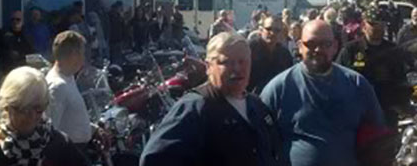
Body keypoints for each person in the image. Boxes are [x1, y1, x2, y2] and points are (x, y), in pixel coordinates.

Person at [140, 32, 278, 166]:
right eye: (226, 62)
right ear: (208, 66)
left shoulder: (256, 105)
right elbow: (154, 159)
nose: (237, 68)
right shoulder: (195, 108)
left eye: (242, 61)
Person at [261, 20, 385, 166]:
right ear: (300, 46)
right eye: (311, 44)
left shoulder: (357, 85)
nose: (318, 50)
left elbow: (377, 135)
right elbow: (261, 142)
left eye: (325, 44)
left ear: (335, 46)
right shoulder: (278, 88)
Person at [337, 4, 411, 127]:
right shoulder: (351, 50)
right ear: (363, 26)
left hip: (387, 112)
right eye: (373, 24)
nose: (377, 28)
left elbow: (402, 79)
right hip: (359, 113)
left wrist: (402, 105)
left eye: (381, 24)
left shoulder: (393, 50)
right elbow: (337, 78)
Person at [0, 66, 87, 166]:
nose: (31, 116)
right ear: (7, 106)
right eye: (24, 109)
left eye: (38, 108)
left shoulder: (58, 143)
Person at [45, 31, 107, 157]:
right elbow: (50, 132)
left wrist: (93, 129)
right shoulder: (57, 86)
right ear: (74, 55)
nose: (83, 58)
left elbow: (70, 119)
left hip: (80, 151)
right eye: (82, 53)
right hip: (69, 155)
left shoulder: (69, 78)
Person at [248, 15, 293, 93]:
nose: (272, 33)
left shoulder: (284, 54)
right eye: (268, 29)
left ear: (282, 33)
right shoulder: (249, 49)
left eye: (277, 30)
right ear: (261, 30)